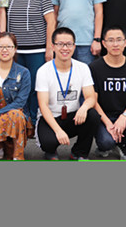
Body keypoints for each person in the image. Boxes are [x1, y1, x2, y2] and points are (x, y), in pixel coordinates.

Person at [36, 27, 101, 160]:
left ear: (74, 46)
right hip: (51, 117)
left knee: (92, 115)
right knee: (48, 142)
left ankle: (79, 152)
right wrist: (58, 131)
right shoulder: (43, 71)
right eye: (60, 44)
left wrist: (83, 108)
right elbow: (43, 106)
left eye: (69, 44)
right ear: (53, 47)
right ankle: (51, 151)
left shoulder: (83, 68)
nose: (65, 48)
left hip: (73, 116)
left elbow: (90, 97)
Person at [7, 0, 56, 127]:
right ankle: (22, 120)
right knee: (18, 87)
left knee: (36, 86)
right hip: (16, 51)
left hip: (37, 50)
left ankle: (35, 121)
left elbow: (51, 22)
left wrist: (49, 47)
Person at [89, 26, 126, 160]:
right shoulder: (94, 67)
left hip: (125, 116)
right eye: (110, 40)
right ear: (104, 43)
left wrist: (124, 117)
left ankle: (122, 143)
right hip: (104, 117)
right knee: (106, 143)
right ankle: (108, 143)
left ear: (125, 42)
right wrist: (108, 123)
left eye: (119, 40)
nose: (115, 44)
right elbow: (93, 100)